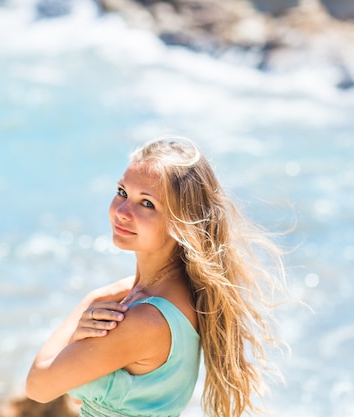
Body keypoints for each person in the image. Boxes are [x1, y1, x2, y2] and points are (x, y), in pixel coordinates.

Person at [26, 136, 288, 417]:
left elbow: (38, 386)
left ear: (181, 222)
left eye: (147, 204)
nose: (123, 211)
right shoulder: (178, 291)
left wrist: (88, 303)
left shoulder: (146, 320)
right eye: (122, 192)